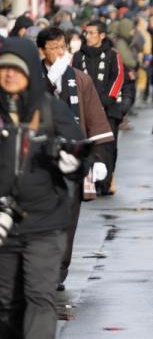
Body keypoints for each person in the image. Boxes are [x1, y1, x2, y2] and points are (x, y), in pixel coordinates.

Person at [0, 37, 84, 339]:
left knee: (39, 294)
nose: (8, 75)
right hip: (3, 225)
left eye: (16, 69)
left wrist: (68, 158)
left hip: (46, 222)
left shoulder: (51, 110)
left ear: (30, 72)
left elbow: (80, 155)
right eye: (2, 68)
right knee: (5, 300)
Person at [37, 27, 114, 287]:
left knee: (68, 217)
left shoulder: (80, 80)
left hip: (72, 159)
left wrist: (100, 158)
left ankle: (59, 270)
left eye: (63, 47)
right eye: (54, 48)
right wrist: (48, 83)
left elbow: (95, 119)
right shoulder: (31, 79)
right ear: (41, 51)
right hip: (39, 161)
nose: (60, 53)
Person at [72, 19, 134, 196]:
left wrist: (108, 99)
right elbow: (72, 77)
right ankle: (89, 179)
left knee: (108, 146)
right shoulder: (78, 56)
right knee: (87, 145)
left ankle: (106, 181)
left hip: (108, 108)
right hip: (84, 109)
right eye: (87, 33)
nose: (88, 36)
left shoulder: (113, 55)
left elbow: (118, 78)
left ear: (102, 35)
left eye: (92, 33)